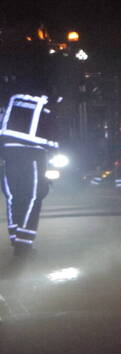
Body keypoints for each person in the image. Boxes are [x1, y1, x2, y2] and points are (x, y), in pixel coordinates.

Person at [0, 77, 60, 258]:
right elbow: (51, 132)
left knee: (13, 197)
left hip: (7, 154)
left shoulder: (10, 99)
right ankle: (23, 244)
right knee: (33, 197)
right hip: (33, 153)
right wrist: (56, 151)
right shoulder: (45, 102)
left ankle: (15, 236)